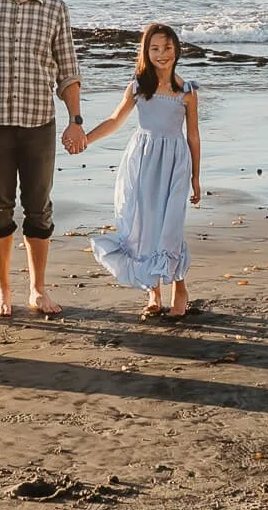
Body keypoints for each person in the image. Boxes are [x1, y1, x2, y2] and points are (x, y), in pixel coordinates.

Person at [0, 0, 83, 317]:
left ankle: (38, 290)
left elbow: (68, 72)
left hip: (40, 124)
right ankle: (3, 292)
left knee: (38, 208)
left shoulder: (55, 8)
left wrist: (76, 121)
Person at [82, 22, 203, 316]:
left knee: (171, 226)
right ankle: (153, 292)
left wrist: (196, 177)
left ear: (177, 50)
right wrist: (86, 139)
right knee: (146, 225)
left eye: (168, 48)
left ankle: (180, 287)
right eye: (155, 49)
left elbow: (193, 136)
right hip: (144, 161)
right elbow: (114, 120)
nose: (162, 54)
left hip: (175, 162)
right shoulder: (138, 87)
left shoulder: (186, 92)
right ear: (146, 53)